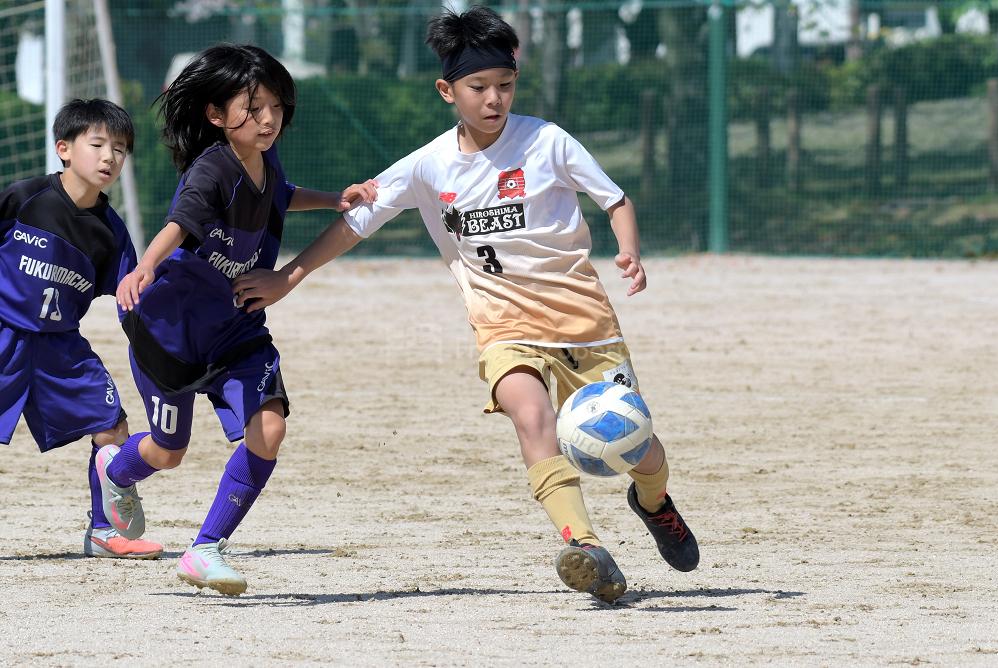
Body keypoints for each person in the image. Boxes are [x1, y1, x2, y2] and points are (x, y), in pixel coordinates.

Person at [232, 7, 699, 604]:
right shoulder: (429, 165)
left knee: (641, 450)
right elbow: (355, 225)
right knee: (532, 420)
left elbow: (616, 199)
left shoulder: (547, 141)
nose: (494, 99)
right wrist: (287, 276)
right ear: (447, 90)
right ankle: (585, 547)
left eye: (505, 85)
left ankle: (653, 502)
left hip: (587, 325)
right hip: (503, 327)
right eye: (479, 88)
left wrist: (628, 249)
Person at [109, 44, 376, 596]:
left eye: (276, 106)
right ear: (216, 115)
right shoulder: (211, 171)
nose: (269, 119)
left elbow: (279, 196)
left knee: (270, 426)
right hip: (172, 333)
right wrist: (145, 268)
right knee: (168, 450)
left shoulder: (266, 159)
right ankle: (114, 471)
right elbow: (180, 225)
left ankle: (205, 548)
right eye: (253, 108)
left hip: (237, 329)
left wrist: (333, 200)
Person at [0, 99, 163, 559]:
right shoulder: (24, 199)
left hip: (61, 348)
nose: (110, 157)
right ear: (64, 149)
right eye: (97, 144)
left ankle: (103, 532)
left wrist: (163, 348)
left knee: (112, 428)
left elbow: (132, 301)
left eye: (120, 148)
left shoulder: (111, 231)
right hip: (4, 335)